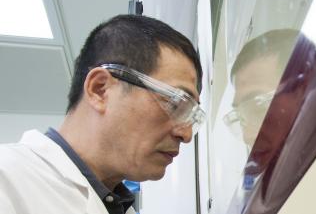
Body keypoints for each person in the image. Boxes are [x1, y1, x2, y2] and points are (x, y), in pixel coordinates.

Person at [0, 15, 204, 214]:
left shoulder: (118, 205)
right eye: (176, 104)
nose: (185, 135)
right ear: (100, 89)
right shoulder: (8, 179)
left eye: (192, 116)